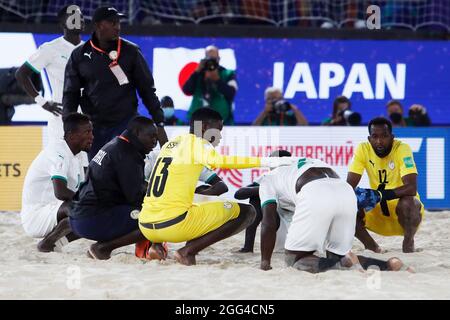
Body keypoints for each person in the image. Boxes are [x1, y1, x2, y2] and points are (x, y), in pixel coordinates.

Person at [138, 107, 296, 266]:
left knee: (192, 206)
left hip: (146, 226)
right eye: (218, 130)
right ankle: (187, 252)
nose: (219, 136)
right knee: (247, 211)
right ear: (205, 127)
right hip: (172, 225)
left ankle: (156, 247)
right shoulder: (198, 143)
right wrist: (266, 162)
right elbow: (220, 161)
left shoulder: (172, 144)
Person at [259, 158, 411, 273]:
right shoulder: (304, 162)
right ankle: (388, 265)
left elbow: (268, 221)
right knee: (338, 255)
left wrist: (265, 262)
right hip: (345, 191)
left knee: (294, 259)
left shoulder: (268, 178)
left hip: (314, 191)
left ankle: (341, 264)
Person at [63, 6, 168, 160]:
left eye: (119, 23)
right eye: (112, 23)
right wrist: (69, 125)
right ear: (98, 25)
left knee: (128, 168)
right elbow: (70, 94)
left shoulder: (131, 51)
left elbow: (147, 90)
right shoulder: (79, 55)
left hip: (125, 123)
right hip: (94, 127)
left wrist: (159, 122)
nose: (118, 27)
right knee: (97, 173)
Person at [68, 116, 167, 260]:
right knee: (156, 219)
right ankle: (102, 248)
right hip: (90, 220)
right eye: (151, 136)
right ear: (137, 133)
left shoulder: (116, 144)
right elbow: (136, 197)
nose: (155, 142)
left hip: (76, 218)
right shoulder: (127, 154)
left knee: (145, 209)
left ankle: (52, 242)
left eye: (156, 138)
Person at [347, 117, 424, 253]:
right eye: (375, 137)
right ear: (369, 139)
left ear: (392, 137)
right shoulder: (363, 149)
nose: (379, 141)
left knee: (409, 202)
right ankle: (372, 247)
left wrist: (379, 194)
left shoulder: (402, 148)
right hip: (377, 214)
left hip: (404, 216)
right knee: (346, 207)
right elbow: (349, 186)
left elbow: (411, 188)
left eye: (384, 136)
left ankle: (408, 242)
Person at [21, 113, 93, 252]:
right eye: (87, 132)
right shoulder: (58, 152)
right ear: (71, 135)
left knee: (95, 212)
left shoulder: (77, 156)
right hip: (36, 217)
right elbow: (60, 192)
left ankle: (54, 244)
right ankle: (48, 242)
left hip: (53, 209)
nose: (92, 137)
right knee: (79, 207)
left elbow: (81, 191)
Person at [15, 5, 85, 145]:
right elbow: (21, 74)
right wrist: (42, 102)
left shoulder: (91, 50)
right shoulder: (50, 49)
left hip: (87, 120)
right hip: (62, 119)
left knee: (85, 166)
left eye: (81, 17)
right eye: (73, 17)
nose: (78, 20)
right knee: (61, 165)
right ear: (62, 24)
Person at [234, 150, 292, 253]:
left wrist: (268, 189)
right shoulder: (268, 177)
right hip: (284, 230)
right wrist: (266, 188)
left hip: (293, 230)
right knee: (256, 196)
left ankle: (248, 248)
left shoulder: (290, 177)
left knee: (257, 199)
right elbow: (239, 194)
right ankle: (248, 247)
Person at [182, 45, 237, 125]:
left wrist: (217, 80)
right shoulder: (198, 74)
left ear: (219, 59)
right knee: (196, 137)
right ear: (204, 59)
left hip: (221, 121)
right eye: (209, 59)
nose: (212, 62)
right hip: (197, 123)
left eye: (214, 59)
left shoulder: (228, 74)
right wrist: (197, 71)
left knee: (217, 137)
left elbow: (231, 93)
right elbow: (187, 90)